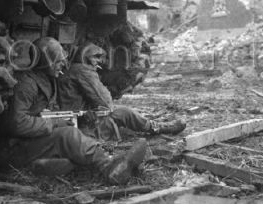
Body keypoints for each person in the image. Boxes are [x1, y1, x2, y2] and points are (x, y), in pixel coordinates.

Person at [0, 37, 146, 185]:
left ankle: (68, 163)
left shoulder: (48, 80)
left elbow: (52, 112)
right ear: (45, 62)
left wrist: (81, 117)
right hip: (19, 146)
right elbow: (16, 123)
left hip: (39, 138)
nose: (63, 64)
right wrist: (54, 123)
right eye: (57, 60)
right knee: (68, 135)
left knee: (82, 131)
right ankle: (109, 167)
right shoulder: (26, 84)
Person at [58, 42, 186, 140]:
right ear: (84, 56)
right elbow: (106, 103)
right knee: (125, 113)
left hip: (78, 123)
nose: (99, 62)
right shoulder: (83, 71)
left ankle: (156, 126)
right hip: (80, 130)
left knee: (124, 112)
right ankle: (159, 128)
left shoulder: (75, 70)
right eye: (95, 57)